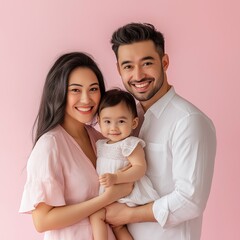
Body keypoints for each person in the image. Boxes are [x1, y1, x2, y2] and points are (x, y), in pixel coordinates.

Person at [105, 23, 217, 240]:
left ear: (164, 62)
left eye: (146, 63)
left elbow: (190, 200)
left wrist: (128, 214)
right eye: (128, 66)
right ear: (119, 69)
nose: (138, 75)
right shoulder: (126, 122)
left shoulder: (189, 121)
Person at [19, 52, 132, 240]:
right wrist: (105, 199)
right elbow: (42, 221)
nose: (87, 99)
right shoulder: (50, 145)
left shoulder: (99, 139)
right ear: (59, 92)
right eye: (75, 90)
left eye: (93, 89)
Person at [90, 88, 159, 240]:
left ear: (134, 122)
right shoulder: (100, 144)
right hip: (111, 195)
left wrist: (115, 178)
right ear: (99, 121)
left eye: (121, 121)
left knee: (97, 215)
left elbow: (140, 168)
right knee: (117, 227)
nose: (113, 128)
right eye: (107, 121)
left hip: (128, 195)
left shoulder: (130, 144)